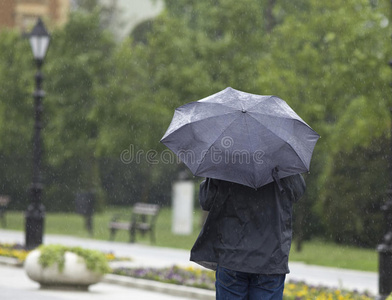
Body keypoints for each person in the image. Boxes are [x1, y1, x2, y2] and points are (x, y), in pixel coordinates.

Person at [190, 167, 306, 300]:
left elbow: (206, 200)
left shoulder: (227, 158)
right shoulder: (279, 158)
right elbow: (298, 191)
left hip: (231, 256)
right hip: (270, 258)